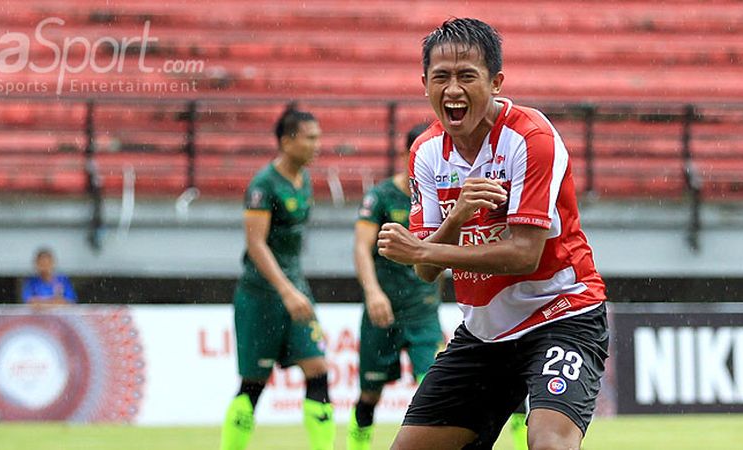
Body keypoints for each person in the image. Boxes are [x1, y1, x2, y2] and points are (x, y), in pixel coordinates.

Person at [377, 18, 608, 450]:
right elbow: (428, 271)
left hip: (561, 314)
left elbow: (523, 254)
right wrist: (457, 217)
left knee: (549, 445)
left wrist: (421, 249)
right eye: (441, 77)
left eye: (467, 76)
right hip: (484, 332)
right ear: (424, 82)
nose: (453, 90)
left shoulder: (531, 138)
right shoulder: (425, 152)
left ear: (496, 82)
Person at [220, 107, 334, 450]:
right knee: (253, 384)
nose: (318, 145)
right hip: (262, 297)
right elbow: (255, 244)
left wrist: (294, 287)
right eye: (311, 138)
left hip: (295, 290)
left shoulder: (305, 179)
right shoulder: (263, 185)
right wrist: (285, 290)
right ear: (287, 141)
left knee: (318, 369)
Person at [347, 124, 444, 450]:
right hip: (383, 310)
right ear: (407, 155)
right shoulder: (380, 197)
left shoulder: (439, 194)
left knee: (434, 389)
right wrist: (373, 292)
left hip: (422, 311)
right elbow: (362, 248)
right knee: (369, 396)